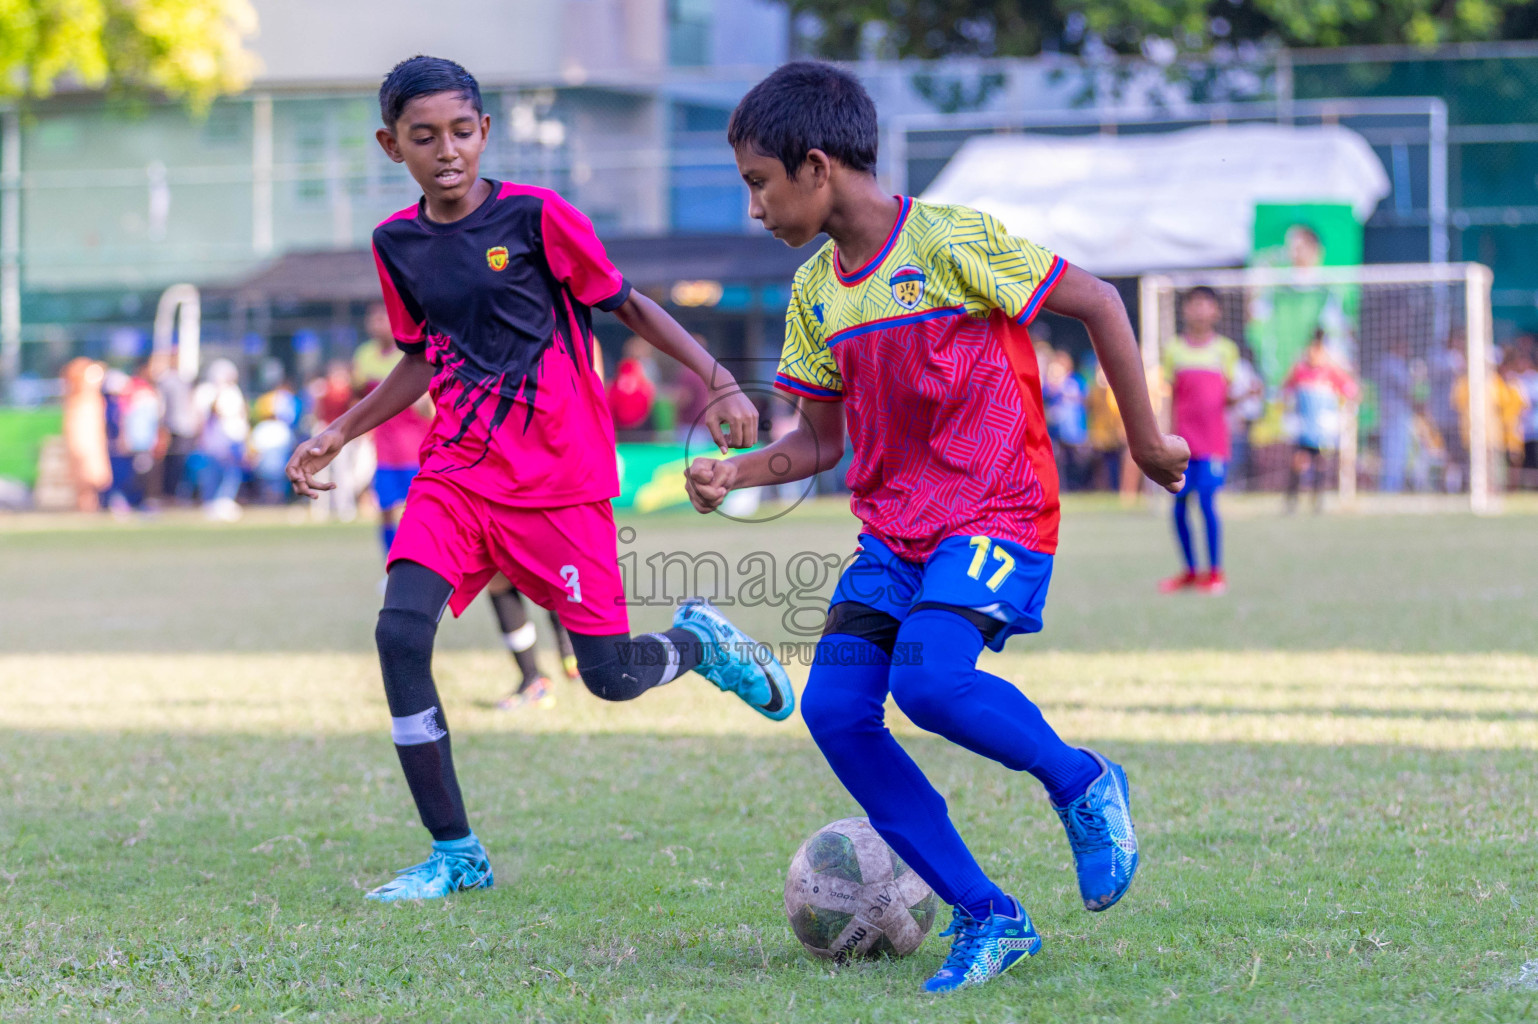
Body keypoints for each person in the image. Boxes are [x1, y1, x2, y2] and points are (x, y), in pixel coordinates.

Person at [686, 62, 1189, 994]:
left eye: (759, 181)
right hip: (894, 538)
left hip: (997, 508)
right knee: (835, 713)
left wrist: (1148, 440)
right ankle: (990, 915)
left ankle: (1081, 782)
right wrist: (738, 472)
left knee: (930, 681)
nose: (752, 205)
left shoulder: (953, 242)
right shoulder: (814, 292)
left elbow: (1100, 304)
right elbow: (818, 443)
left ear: (818, 165)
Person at [285, 56, 793, 903]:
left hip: (560, 485)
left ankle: (699, 643)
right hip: (456, 477)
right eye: (423, 136)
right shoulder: (396, 245)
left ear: (484, 131)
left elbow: (627, 303)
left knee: (610, 678)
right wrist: (341, 430)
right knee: (399, 636)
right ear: (391, 146)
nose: (445, 149)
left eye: (459, 130)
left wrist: (720, 377)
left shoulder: (537, 218)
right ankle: (456, 854)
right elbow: (420, 357)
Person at [1158, 287, 1238, 595]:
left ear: (1216, 311)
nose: (1200, 310)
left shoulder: (1225, 350)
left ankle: (1215, 572)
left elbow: (1227, 398)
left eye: (1206, 304)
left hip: (1213, 444)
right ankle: (1190, 572)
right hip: (1182, 445)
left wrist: (1245, 396)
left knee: (1207, 502)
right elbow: (1170, 398)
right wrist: (1162, 439)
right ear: (1185, 310)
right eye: (1194, 304)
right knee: (1178, 506)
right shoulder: (1174, 350)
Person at [1282, 331, 1358, 513]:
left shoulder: (1331, 372)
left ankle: (1318, 502)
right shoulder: (1300, 371)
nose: (1314, 354)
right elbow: (1285, 391)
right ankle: (1292, 501)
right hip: (1303, 427)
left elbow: (1352, 391)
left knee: (1321, 463)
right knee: (1298, 461)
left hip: (1323, 429)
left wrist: (1342, 413)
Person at [193, 358, 249, 521]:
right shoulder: (207, 392)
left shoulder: (233, 392)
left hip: (233, 439)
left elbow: (240, 416)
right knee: (211, 473)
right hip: (214, 441)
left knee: (232, 473)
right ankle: (211, 503)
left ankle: (225, 501)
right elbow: (204, 417)